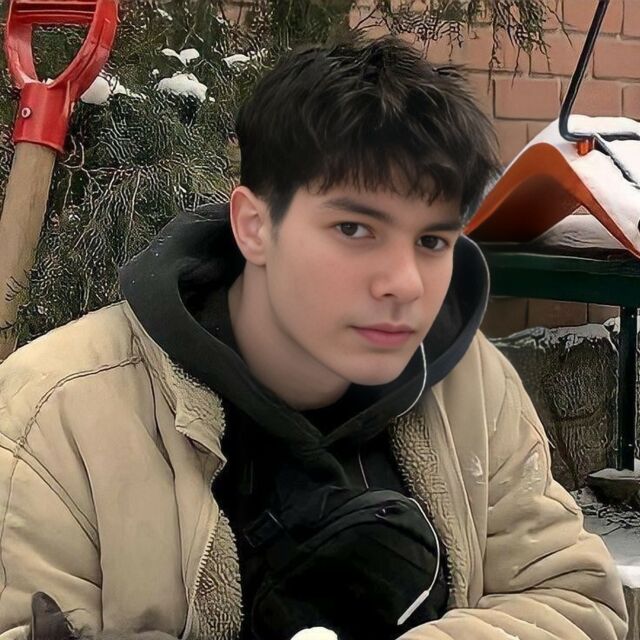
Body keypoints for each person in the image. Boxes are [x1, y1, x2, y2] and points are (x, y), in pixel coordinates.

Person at [0, 35, 627, 640]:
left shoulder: (470, 384)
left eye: (433, 240)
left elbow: (570, 597)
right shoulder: (57, 415)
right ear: (254, 226)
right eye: (355, 229)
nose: (405, 283)